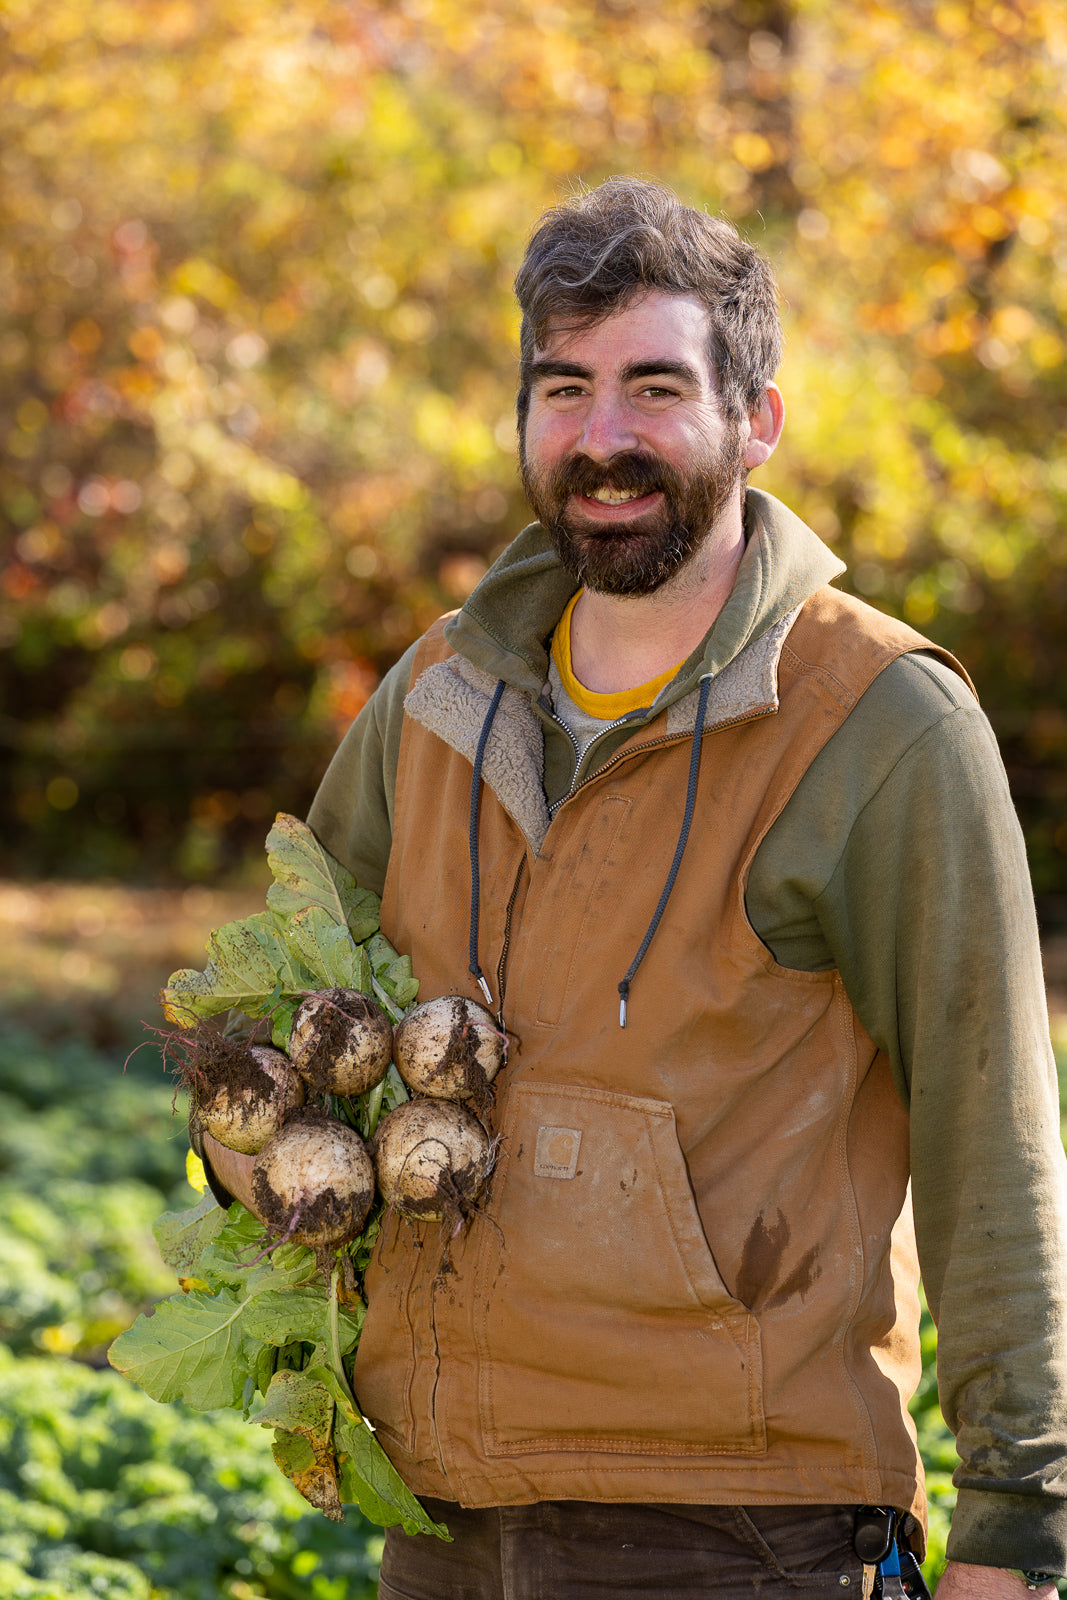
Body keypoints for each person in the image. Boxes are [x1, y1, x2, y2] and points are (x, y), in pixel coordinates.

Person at [202, 177, 1067, 1599]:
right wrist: (252, 1149)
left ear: (757, 417)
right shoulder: (436, 695)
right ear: (525, 418)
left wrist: (1018, 1535)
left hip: (733, 1531)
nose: (604, 439)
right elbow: (286, 1001)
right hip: (440, 1514)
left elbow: (997, 1149)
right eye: (565, 388)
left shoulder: (880, 722)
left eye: (655, 387)